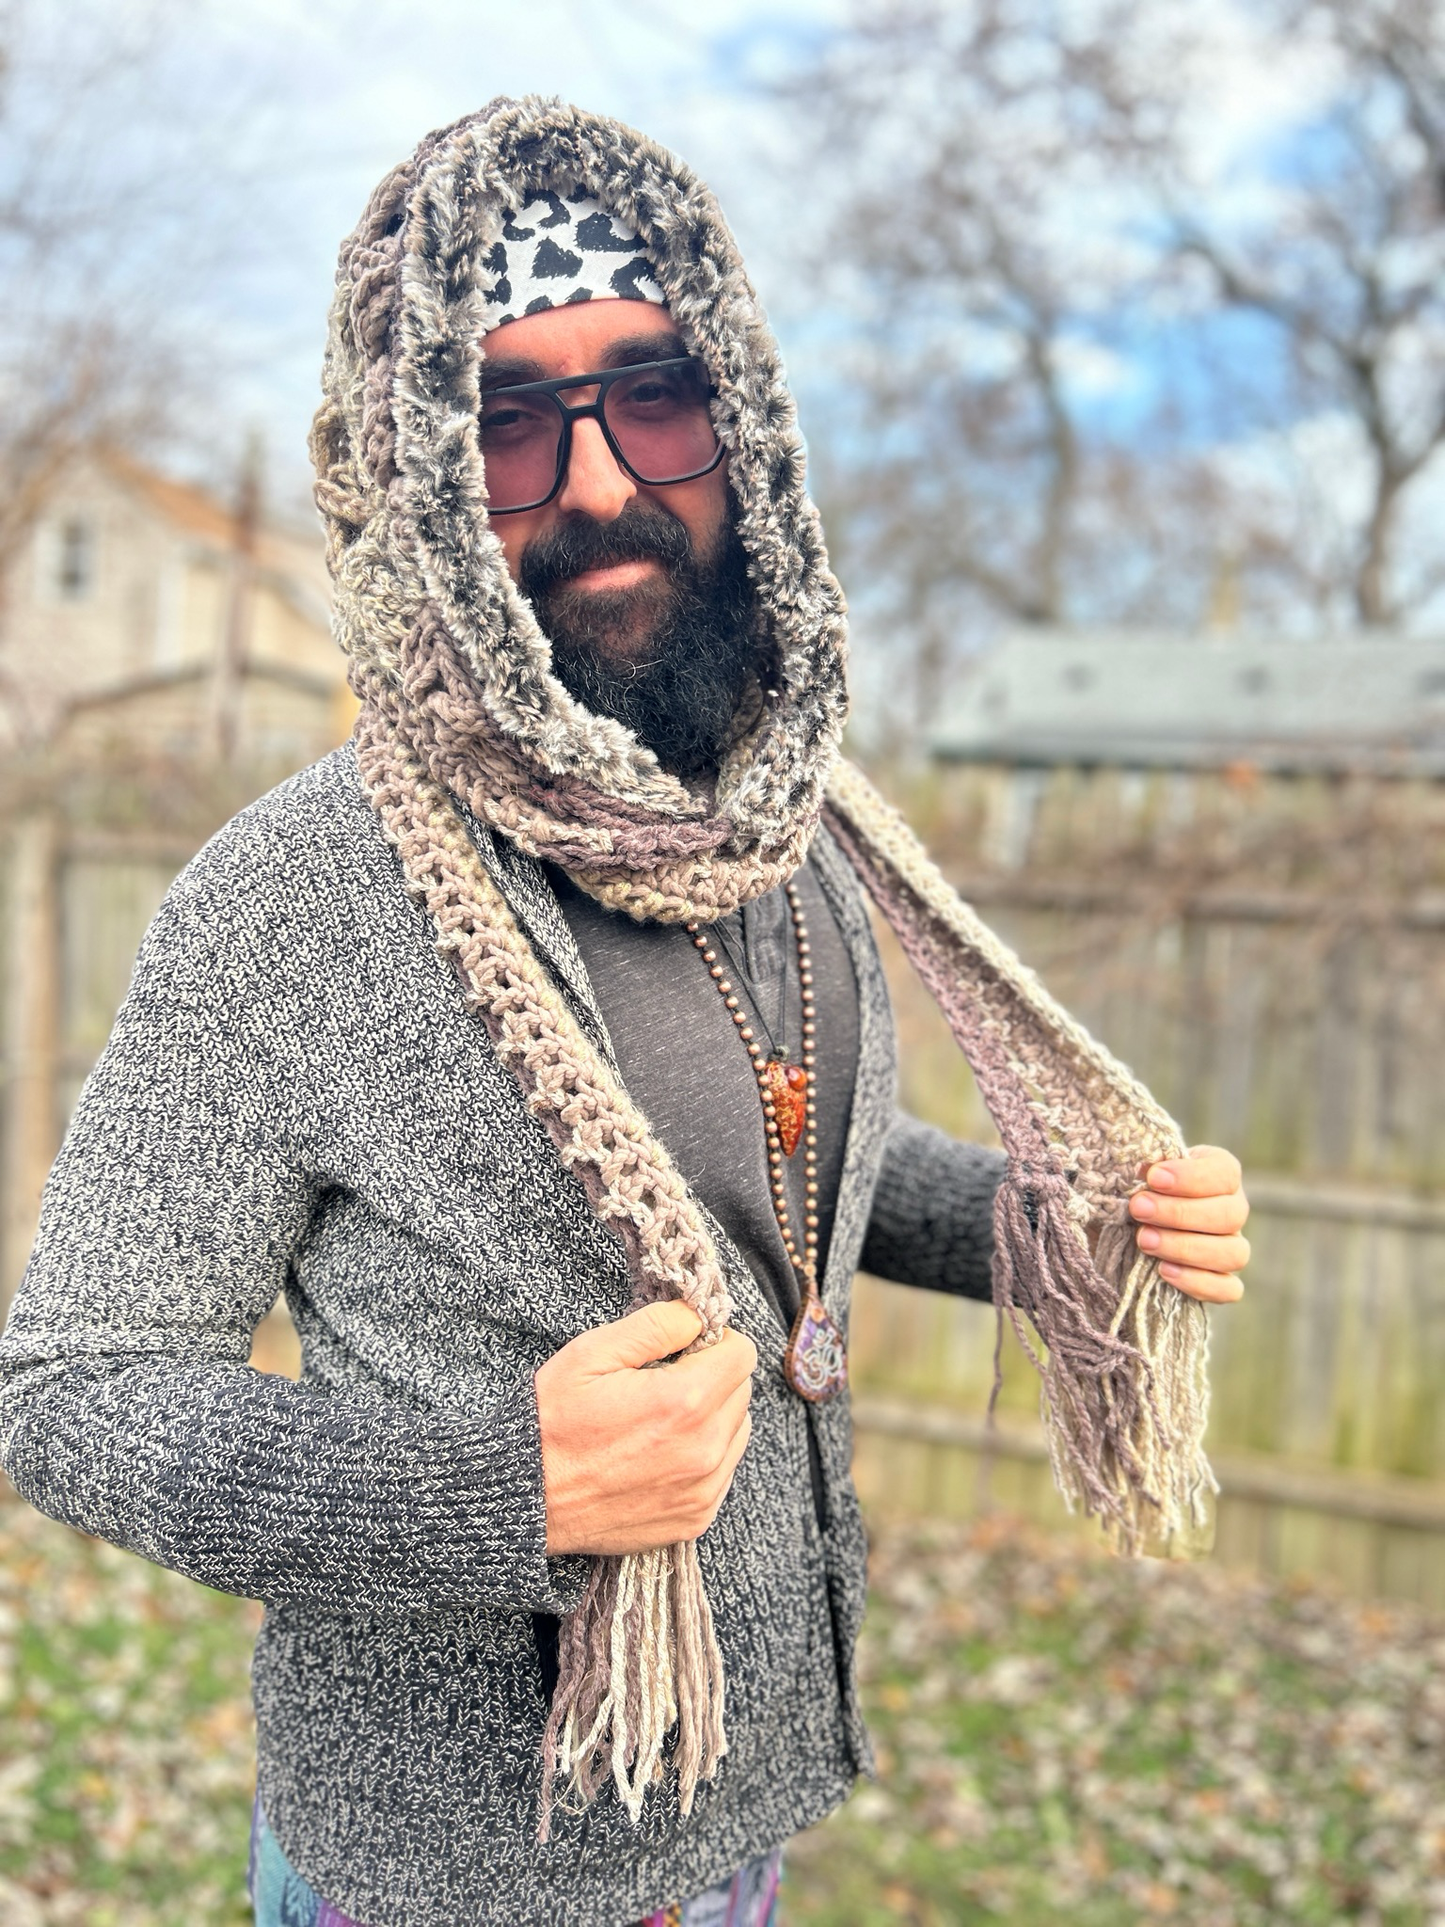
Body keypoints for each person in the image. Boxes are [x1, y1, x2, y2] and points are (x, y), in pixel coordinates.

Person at [0, 100, 1250, 1927]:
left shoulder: (793, 825)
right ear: (427, 483)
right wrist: (504, 1486)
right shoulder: (292, 900)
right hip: (440, 1878)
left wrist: (1052, 1222)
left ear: (742, 427)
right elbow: (73, 1393)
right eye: (507, 422)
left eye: (652, 394)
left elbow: (800, 1161)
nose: (595, 480)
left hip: (737, 1820)